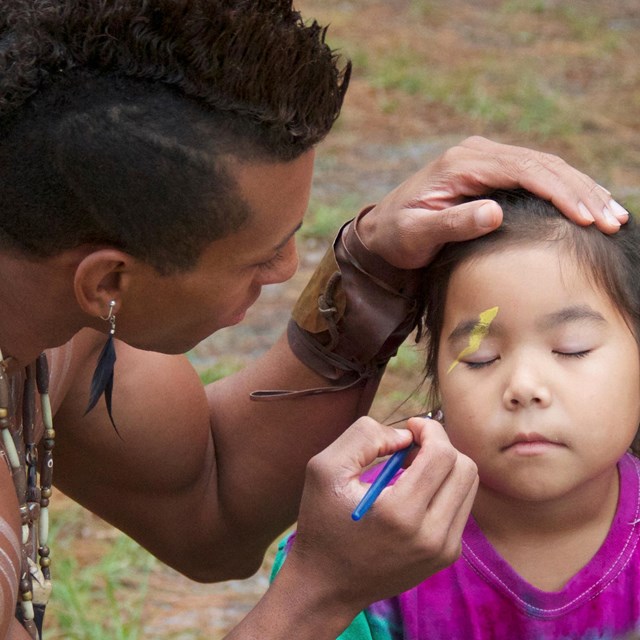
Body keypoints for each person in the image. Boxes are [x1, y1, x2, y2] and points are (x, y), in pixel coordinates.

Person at [0, 1, 629, 638]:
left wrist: (372, 268)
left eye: (573, 347)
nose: (287, 269)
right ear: (108, 282)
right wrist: (319, 595)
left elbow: (208, 498)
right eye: (262, 253)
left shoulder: (58, 333)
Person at [274, 189, 640, 639]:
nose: (524, 387)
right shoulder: (362, 551)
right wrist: (326, 584)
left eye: (572, 348)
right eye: (480, 358)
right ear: (438, 377)